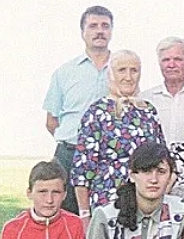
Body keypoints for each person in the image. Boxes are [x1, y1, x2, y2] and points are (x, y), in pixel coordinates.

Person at [71, 50, 165, 217]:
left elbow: (162, 158)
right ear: (110, 75)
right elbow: (82, 170)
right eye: (122, 70)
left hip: (146, 201)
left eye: (134, 70)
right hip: (108, 200)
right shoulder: (97, 112)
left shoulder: (148, 111)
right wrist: (84, 214)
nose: (128, 77)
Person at [42, 5, 113, 214]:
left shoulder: (123, 69)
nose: (99, 31)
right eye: (93, 26)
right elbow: (51, 121)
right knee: (66, 217)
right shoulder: (65, 72)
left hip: (108, 158)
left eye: (105, 26)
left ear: (111, 31)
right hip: (69, 157)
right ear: (83, 32)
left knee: (107, 217)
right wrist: (76, 144)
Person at [140, 37, 184, 145]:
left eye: (177, 59)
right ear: (159, 64)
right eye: (166, 60)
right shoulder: (145, 99)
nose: (171, 65)